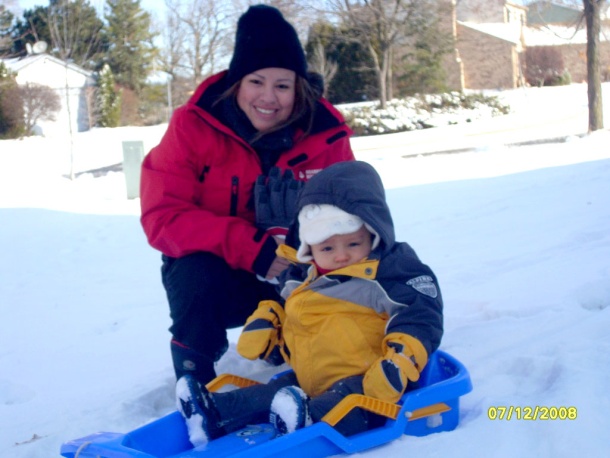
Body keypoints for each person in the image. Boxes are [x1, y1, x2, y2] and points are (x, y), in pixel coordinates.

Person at [139, 4, 355, 386]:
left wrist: (300, 250)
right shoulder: (192, 128)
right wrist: (251, 248)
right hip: (223, 274)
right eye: (256, 81)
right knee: (191, 270)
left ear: (299, 87)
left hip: (300, 269)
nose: (268, 97)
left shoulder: (326, 137)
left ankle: (308, 350)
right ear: (236, 82)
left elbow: (355, 214)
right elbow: (163, 217)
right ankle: (195, 379)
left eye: (282, 85)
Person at [175, 161, 444, 446]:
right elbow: (300, 330)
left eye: (353, 244)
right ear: (309, 247)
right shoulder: (300, 279)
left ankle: (308, 422)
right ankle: (215, 413)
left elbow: (420, 317)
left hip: (371, 382)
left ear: (373, 234)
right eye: (328, 248)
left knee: (349, 401)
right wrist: (272, 324)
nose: (341, 256)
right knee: (276, 390)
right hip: (309, 380)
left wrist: (399, 361)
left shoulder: (390, 273)